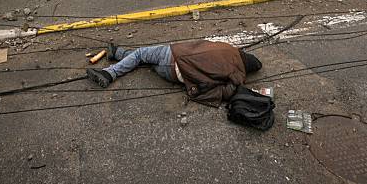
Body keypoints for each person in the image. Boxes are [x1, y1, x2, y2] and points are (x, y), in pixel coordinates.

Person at [86, 40, 262, 107]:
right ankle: (116, 52)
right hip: (178, 75)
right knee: (144, 59)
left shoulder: (228, 48)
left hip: (174, 55)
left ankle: (109, 73)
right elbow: (225, 92)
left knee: (142, 55)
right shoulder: (238, 76)